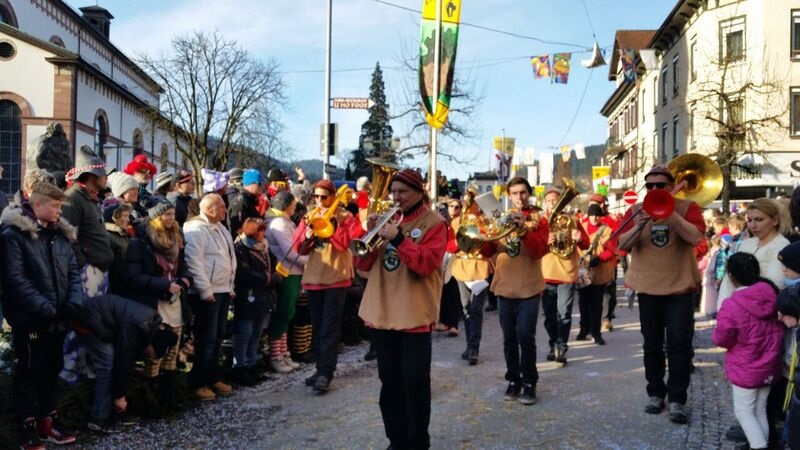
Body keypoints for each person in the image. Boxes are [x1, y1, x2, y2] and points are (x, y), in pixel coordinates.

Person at [357, 168, 447, 449]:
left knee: (416, 382)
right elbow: (362, 266)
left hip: (414, 315)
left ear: (419, 192)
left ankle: (418, 442)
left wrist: (398, 238)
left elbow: (426, 264)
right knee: (390, 383)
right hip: (383, 313)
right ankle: (396, 440)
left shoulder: (435, 223)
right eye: (393, 192)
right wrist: (369, 235)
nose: (397, 197)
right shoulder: (389, 220)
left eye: (403, 192)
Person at [618, 164, 705, 424]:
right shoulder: (636, 210)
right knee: (651, 344)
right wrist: (638, 224)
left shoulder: (688, 208)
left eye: (660, 185)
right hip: (648, 287)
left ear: (671, 186)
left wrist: (670, 212)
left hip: (679, 286)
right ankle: (655, 393)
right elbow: (621, 245)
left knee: (679, 344)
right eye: (650, 186)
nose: (655, 189)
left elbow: (695, 238)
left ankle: (677, 399)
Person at [1, 182, 82, 449]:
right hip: (32, 319)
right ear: (37, 205)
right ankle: (26, 427)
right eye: (55, 205)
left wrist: (73, 303)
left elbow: (72, 273)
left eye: (61, 206)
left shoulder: (60, 235)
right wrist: (46, 309)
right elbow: (16, 280)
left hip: (58, 318)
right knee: (29, 373)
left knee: (51, 369)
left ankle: (48, 422)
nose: (60, 211)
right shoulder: (14, 236)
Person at [294, 179, 363, 393]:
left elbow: (345, 244)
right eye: (316, 197)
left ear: (333, 197)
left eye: (323, 197)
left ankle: (326, 372)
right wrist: (306, 236)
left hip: (336, 277)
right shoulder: (309, 216)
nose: (319, 201)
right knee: (318, 327)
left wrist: (331, 224)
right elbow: (299, 249)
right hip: (314, 278)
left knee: (330, 328)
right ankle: (319, 368)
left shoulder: (346, 217)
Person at [486, 177, 549, 405]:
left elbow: (540, 250)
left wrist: (523, 230)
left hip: (529, 288)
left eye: (523, 193)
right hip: (504, 286)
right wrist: (482, 234)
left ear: (529, 194)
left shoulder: (539, 220)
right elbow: (487, 249)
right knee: (509, 339)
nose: (519, 197)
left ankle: (530, 382)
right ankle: (514, 379)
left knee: (525, 336)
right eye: (514, 193)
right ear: (508, 196)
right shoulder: (499, 218)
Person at [712, 253, 783, 450]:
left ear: (731, 276)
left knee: (744, 412)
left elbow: (722, 338)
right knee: (760, 410)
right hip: (770, 365)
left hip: (746, 367)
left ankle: (759, 446)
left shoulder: (732, 304)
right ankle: (762, 444)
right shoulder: (772, 295)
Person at [124, 201, 191, 408]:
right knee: (155, 354)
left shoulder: (177, 239)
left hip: (175, 302)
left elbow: (183, 268)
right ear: (155, 218)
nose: (171, 218)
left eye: (173, 214)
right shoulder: (141, 243)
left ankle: (168, 398)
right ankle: (150, 401)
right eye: (166, 215)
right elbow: (132, 276)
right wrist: (163, 284)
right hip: (153, 303)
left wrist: (184, 281)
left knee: (173, 352)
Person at [77, 294, 176, 434]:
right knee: (109, 365)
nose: (148, 357)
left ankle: (112, 413)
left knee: (121, 368)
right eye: (150, 354)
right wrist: (120, 397)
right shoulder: (137, 327)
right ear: (152, 345)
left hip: (103, 320)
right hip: (89, 319)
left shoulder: (150, 325)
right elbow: (123, 361)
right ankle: (98, 419)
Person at [183, 193, 236, 401]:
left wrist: (230, 286)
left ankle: (213, 377)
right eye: (222, 206)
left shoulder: (221, 228)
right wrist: (205, 290)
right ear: (209, 209)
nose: (225, 209)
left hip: (222, 289)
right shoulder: (196, 230)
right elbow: (193, 262)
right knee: (206, 338)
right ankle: (199, 382)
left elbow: (229, 259)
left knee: (217, 337)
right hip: (208, 293)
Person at [541, 187, 589, 365]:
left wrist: (579, 238)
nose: (554, 203)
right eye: (550, 200)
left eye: (557, 199)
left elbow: (586, 243)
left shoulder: (573, 220)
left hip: (567, 272)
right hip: (545, 273)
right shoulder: (541, 221)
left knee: (565, 313)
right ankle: (553, 342)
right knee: (549, 315)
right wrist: (544, 241)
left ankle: (561, 345)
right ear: (544, 203)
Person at [718, 198, 791, 311]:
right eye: (750, 220)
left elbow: (775, 285)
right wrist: (724, 309)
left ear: (775, 220)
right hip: (734, 310)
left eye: (759, 219)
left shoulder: (782, 246)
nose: (753, 226)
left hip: (762, 312)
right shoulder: (747, 244)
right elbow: (729, 278)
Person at [233, 217, 280, 385]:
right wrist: (268, 278)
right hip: (247, 296)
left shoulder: (264, 247)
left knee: (257, 332)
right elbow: (244, 274)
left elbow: (272, 265)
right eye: (261, 231)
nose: (264, 234)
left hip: (262, 296)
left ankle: (252, 364)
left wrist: (275, 275)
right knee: (245, 332)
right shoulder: (241, 248)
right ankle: (240, 367)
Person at [265, 191, 308, 371]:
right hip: (287, 272)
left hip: (294, 272)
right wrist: (310, 261)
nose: (295, 207)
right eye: (293, 204)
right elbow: (290, 252)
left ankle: (284, 353)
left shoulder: (286, 221)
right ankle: (276, 356)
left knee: (288, 313)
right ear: (287, 205)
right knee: (282, 313)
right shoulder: (278, 223)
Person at [447, 195, 493, 364]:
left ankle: (474, 347)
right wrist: (462, 242)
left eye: (471, 201)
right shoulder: (455, 223)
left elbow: (490, 248)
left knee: (475, 311)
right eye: (467, 201)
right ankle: (469, 346)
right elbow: (449, 246)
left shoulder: (485, 222)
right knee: (466, 310)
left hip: (479, 269)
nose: (469, 204)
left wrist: (479, 240)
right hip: (461, 269)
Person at [576, 204, 618, 345]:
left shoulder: (607, 231)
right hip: (582, 270)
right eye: (592, 215)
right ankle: (583, 330)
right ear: (588, 215)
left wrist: (600, 258)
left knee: (596, 304)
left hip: (599, 272)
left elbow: (612, 251)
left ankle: (596, 333)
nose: (595, 218)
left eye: (597, 215)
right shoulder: (580, 227)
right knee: (583, 302)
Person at [102, 200, 133, 296]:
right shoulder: (108, 236)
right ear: (114, 218)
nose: (128, 220)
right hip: (118, 287)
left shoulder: (125, 235)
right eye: (125, 216)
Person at [229, 168, 264, 237]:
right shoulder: (240, 203)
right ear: (251, 184)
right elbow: (237, 230)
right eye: (259, 183)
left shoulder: (250, 201)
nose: (262, 187)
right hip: (245, 245)